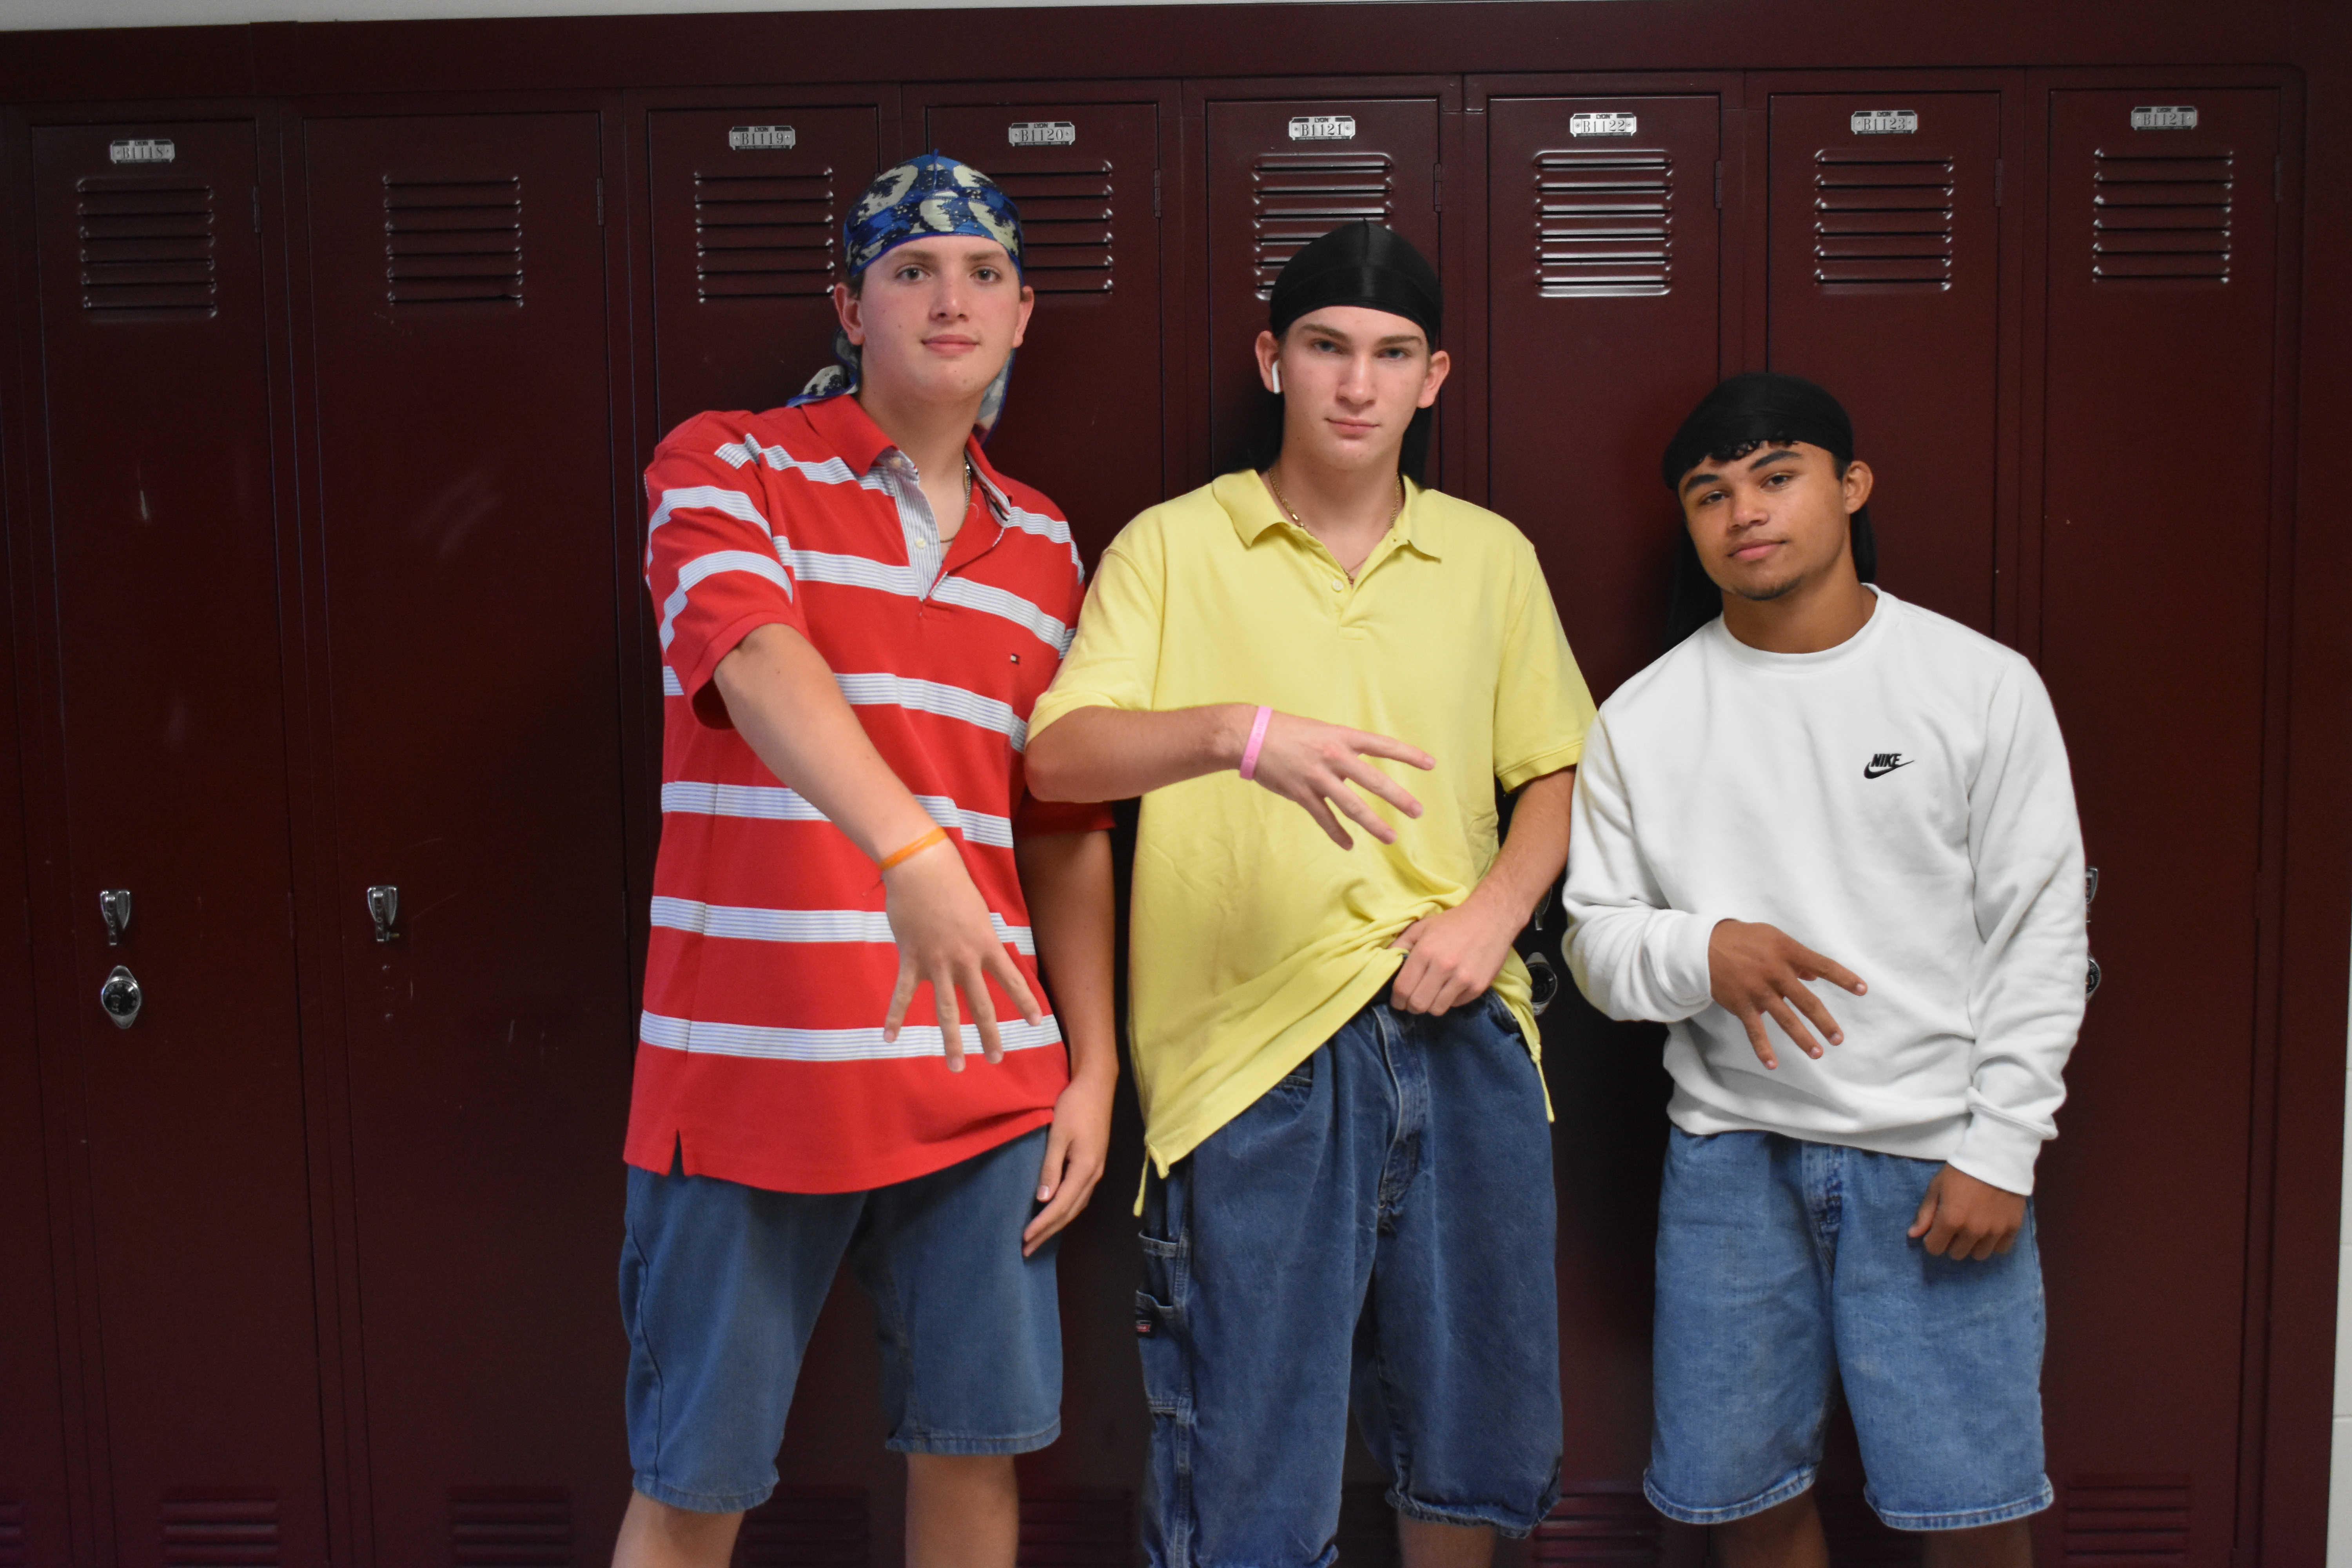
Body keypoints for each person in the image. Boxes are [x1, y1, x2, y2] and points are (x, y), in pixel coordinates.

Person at [1024, 221, 1594, 1568]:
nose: (1357, 383)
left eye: (1392, 356)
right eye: (1328, 348)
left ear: (1433, 379)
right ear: (1272, 359)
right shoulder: (1173, 546)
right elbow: (1058, 758)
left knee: (1472, 1449)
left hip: (1459, 1030)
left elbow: (1560, 772)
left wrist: (1493, 915)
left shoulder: (1490, 558)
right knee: (1247, 1479)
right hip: (1249, 1053)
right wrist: (1240, 737)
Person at [612, 152, 1118, 1568]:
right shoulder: (728, 462)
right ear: (850, 306)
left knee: (975, 1463)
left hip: (986, 1086)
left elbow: (1061, 826)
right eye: (912, 271)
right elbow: (756, 660)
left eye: (984, 273)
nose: (951, 299)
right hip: (750, 1079)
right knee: (694, 1487)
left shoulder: (1045, 544)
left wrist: (1093, 1068)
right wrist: (909, 846)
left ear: (1023, 314)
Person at [1562, 373, 2087, 1568]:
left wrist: (2002, 1148)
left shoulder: (1978, 686)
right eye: (1711, 493)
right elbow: (1595, 944)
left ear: (1851, 486)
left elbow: (2042, 934)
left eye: (1775, 476)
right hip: (1730, 1164)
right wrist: (1702, 951)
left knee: (1973, 1509)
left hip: (1938, 1157)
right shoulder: (1643, 719)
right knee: (1740, 1500)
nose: (1744, 511)